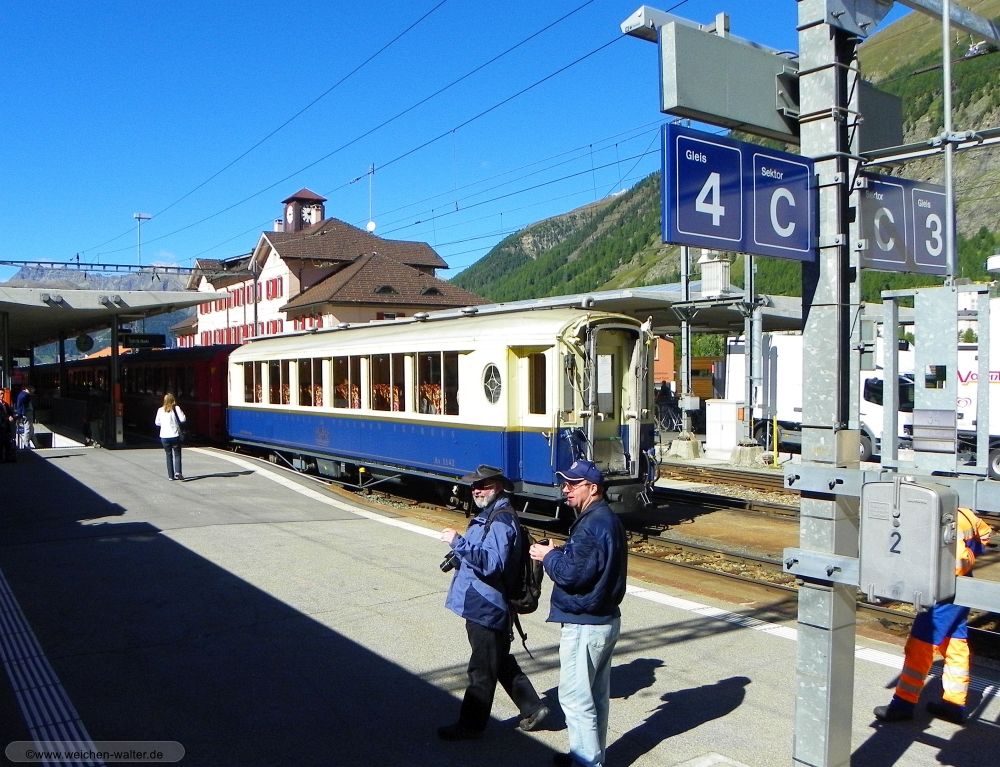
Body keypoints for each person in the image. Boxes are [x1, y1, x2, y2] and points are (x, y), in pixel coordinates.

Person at [437, 464, 549, 741]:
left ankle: (470, 726)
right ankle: (533, 707)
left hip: (487, 605)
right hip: (480, 601)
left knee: (481, 670)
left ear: (498, 487)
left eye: (483, 486)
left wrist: (458, 542)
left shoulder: (500, 521)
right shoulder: (488, 515)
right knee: (496, 658)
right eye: (474, 486)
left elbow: (491, 564)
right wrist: (459, 555)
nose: (476, 490)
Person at [530, 459, 627, 767]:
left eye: (573, 484)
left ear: (592, 488)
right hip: (605, 618)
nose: (565, 488)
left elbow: (572, 576)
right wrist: (563, 551)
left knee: (575, 698)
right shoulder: (606, 519)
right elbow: (590, 564)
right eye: (565, 483)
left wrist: (548, 556)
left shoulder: (591, 525)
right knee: (596, 697)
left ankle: (587, 762)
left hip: (585, 623)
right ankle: (588, 756)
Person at [874, 506, 993, 724]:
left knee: (921, 645)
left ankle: (903, 703)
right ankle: (954, 705)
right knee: (955, 645)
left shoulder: (940, 519)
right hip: (962, 589)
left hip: (944, 592)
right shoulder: (965, 513)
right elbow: (985, 533)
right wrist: (972, 553)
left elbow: (957, 564)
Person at [154, 393, 187, 481]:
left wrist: (164, 424)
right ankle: (178, 472)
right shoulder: (176, 408)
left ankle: (170, 476)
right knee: (177, 454)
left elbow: (157, 423)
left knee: (168, 455)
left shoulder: (160, 410)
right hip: (175, 435)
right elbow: (183, 419)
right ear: (173, 400)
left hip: (164, 437)